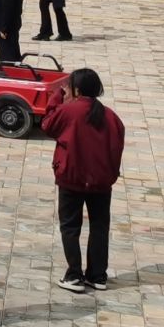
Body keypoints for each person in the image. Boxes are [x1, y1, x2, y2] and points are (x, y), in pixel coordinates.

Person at [43, 69, 125, 292]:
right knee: (99, 227)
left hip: (72, 178)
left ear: (76, 89)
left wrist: (57, 97)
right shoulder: (111, 116)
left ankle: (74, 275)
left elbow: (48, 125)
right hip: (101, 182)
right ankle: (97, 275)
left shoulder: (70, 110)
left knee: (70, 227)